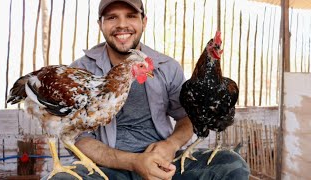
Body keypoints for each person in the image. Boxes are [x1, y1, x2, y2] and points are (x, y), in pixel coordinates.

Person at [48, 0, 250, 179]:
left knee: (231, 165)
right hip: (108, 168)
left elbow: (187, 118)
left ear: (144, 22)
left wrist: (170, 146)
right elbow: (78, 137)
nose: (122, 25)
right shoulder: (80, 72)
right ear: (100, 24)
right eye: (112, 17)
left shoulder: (166, 67)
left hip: (163, 163)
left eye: (131, 16)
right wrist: (133, 161)